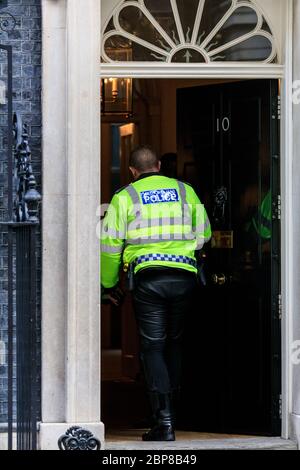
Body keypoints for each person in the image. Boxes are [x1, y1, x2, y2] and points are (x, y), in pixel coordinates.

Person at [101, 146, 211, 441]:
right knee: (174, 343)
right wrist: (183, 249)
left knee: (152, 347)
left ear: (132, 171)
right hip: (184, 277)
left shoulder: (125, 197)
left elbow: (110, 246)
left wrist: (110, 284)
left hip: (149, 279)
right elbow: (204, 234)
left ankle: (164, 422)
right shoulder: (185, 190)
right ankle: (173, 412)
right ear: (159, 165)